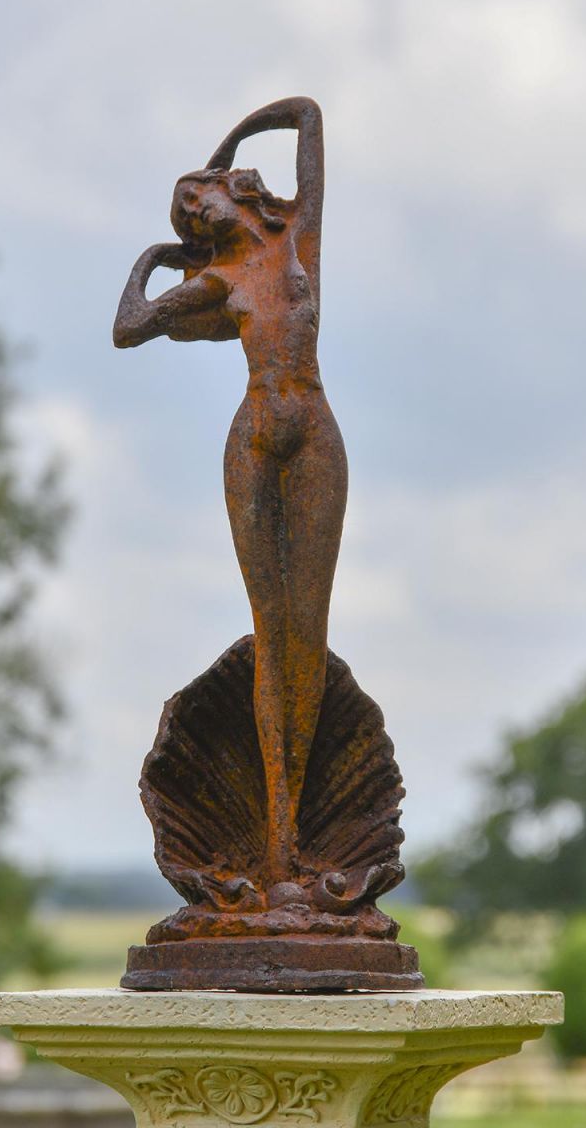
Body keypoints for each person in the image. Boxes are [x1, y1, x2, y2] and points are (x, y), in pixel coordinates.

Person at [114, 97, 348, 887]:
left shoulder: (295, 238)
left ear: (230, 189)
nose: (193, 206)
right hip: (252, 437)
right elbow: (130, 328)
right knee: (268, 625)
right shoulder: (216, 279)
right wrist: (154, 255)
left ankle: (301, 834)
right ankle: (277, 842)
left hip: (312, 425)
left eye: (197, 190)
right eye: (184, 206)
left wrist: (229, 139)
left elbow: (307, 116)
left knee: (305, 632)